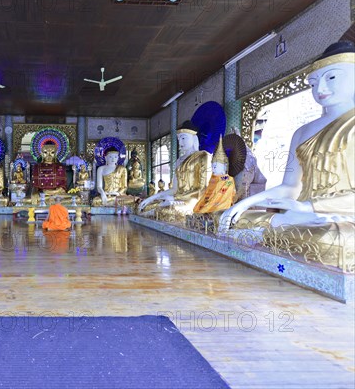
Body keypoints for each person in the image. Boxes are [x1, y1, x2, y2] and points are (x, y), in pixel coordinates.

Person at [218, 41, 354, 265]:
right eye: (313, 83)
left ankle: (265, 238)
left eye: (331, 77)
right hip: (301, 216)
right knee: (240, 219)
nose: (320, 89)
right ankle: (265, 235)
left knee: (334, 239)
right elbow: (291, 187)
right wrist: (243, 205)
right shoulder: (303, 132)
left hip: (338, 219)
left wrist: (308, 206)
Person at [138, 120, 211, 218]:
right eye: (178, 139)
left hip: (194, 200)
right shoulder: (179, 161)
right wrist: (151, 198)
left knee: (169, 210)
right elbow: (175, 189)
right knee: (147, 206)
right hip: (177, 198)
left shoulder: (203, 156)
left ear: (193, 138)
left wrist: (174, 198)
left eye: (183, 138)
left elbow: (204, 189)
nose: (180, 142)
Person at [193, 136, 236, 214]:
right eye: (212, 166)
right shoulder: (213, 178)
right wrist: (201, 205)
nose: (213, 168)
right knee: (197, 208)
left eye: (216, 166)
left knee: (213, 213)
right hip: (210, 204)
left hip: (220, 206)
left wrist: (206, 207)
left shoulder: (228, 180)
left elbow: (221, 194)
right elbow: (207, 194)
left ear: (224, 167)